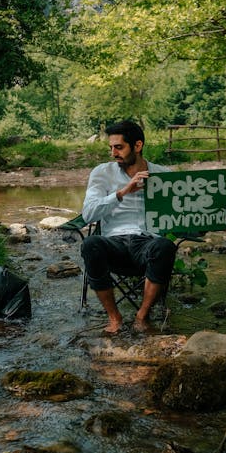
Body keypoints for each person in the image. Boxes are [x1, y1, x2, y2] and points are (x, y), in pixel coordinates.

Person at [80, 119, 176, 334]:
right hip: (114, 244)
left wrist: (213, 220)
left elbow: (183, 217)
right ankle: (115, 318)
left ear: (138, 145)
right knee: (90, 244)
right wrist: (122, 192)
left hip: (148, 244)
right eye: (111, 147)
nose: (113, 153)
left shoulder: (165, 174)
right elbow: (88, 214)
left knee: (165, 245)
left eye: (119, 147)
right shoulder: (102, 173)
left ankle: (142, 317)